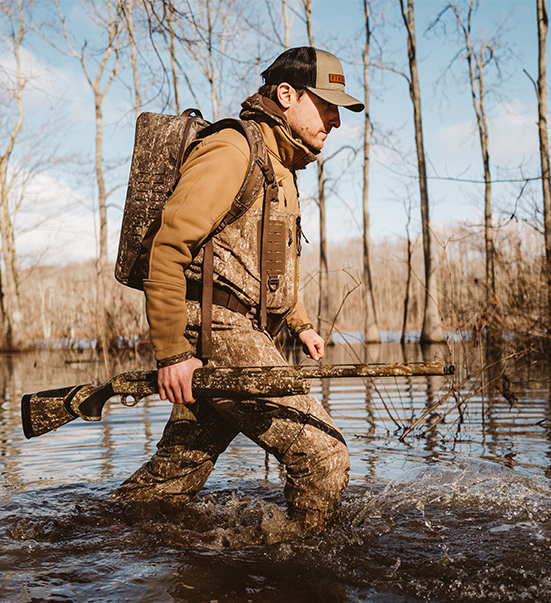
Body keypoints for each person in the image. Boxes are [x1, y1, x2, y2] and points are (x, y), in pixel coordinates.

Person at [114, 47, 365, 533]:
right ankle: (301, 572)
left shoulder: (283, 167)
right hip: (217, 334)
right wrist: (172, 353)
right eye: (328, 103)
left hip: (241, 331)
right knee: (324, 454)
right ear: (287, 94)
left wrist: (301, 324)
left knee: (168, 483)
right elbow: (168, 248)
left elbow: (271, 266)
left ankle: (95, 535)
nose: (335, 120)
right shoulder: (233, 148)